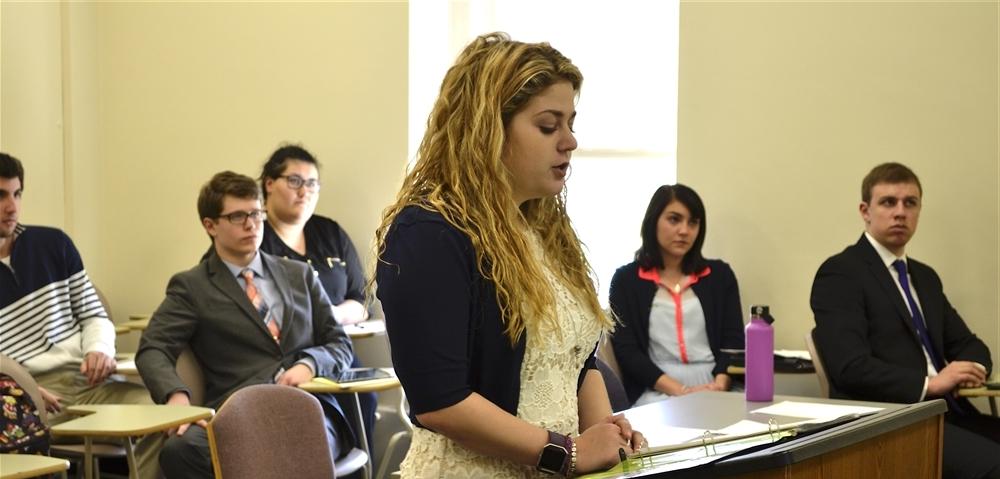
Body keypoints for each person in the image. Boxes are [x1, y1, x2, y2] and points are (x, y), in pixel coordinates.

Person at [374, 32, 644, 477]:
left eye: (571, 123)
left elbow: (579, 362)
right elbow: (442, 402)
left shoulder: (542, 230)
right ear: (489, 129)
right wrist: (569, 452)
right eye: (548, 125)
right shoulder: (428, 231)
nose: (569, 141)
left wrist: (606, 434)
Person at [136, 171, 357, 479]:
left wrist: (309, 364)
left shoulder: (299, 275)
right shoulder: (192, 286)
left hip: (307, 407)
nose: (251, 224)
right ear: (210, 225)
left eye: (256, 214)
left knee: (292, 448)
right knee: (179, 451)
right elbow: (153, 348)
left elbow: (339, 343)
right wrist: (176, 396)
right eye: (238, 216)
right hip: (237, 412)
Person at [810, 162, 999, 479]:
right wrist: (931, 383)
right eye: (888, 202)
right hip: (890, 422)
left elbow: (969, 344)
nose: (900, 212)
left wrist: (971, 368)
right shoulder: (840, 273)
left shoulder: (924, 277)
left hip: (946, 412)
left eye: (910, 203)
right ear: (865, 210)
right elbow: (849, 366)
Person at [0, 152, 163, 478]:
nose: (12, 207)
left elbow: (94, 315)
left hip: (88, 380)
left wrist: (99, 349)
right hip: (28, 395)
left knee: (164, 416)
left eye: (17, 194)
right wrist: (20, 387)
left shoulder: (54, 244)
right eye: (1, 196)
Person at [256, 143, 377, 452]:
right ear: (269, 184)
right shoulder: (254, 239)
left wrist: (331, 316)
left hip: (335, 345)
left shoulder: (330, 232)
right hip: (284, 354)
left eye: (312, 184)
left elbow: (361, 300)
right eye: (294, 181)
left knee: (365, 396)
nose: (304, 191)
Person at [609, 184, 745, 407]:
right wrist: (682, 391)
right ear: (653, 221)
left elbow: (734, 341)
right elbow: (627, 351)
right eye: (674, 219)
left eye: (693, 222)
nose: (684, 230)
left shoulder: (720, 275)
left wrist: (720, 384)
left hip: (718, 382)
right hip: (657, 386)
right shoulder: (625, 279)